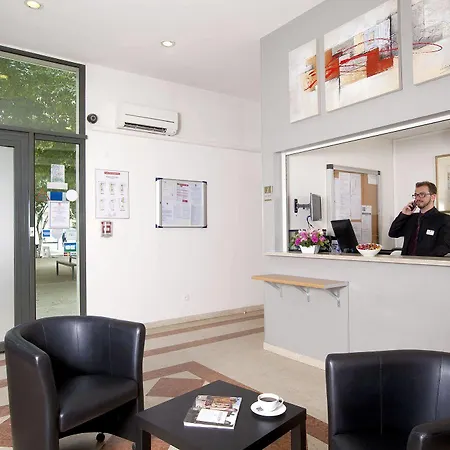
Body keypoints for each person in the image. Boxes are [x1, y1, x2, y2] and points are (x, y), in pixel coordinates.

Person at [389, 181, 450, 257]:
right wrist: (403, 215)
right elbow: (393, 233)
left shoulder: (444, 219)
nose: (417, 198)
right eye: (416, 195)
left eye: (422, 194)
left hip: (428, 263)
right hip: (406, 262)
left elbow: (444, 247)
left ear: (433, 197)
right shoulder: (411, 218)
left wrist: (422, 259)